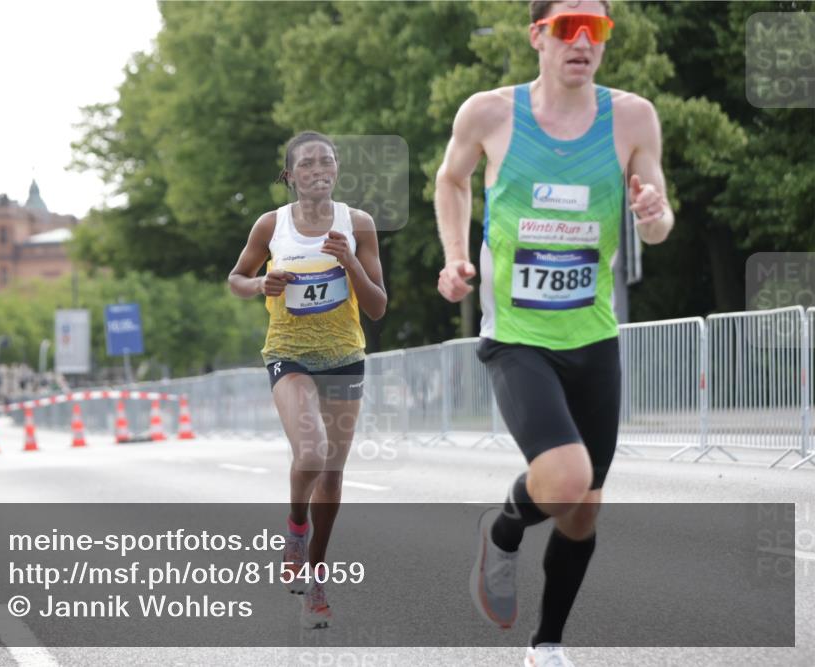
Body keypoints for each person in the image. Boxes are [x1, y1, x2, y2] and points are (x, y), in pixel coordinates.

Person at [434, 2, 673, 665]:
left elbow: (658, 221)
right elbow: (451, 180)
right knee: (567, 478)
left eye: (594, 28)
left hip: (593, 335)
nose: (581, 40)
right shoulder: (489, 113)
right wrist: (456, 256)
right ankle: (504, 529)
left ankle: (547, 645)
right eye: (566, 26)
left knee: (584, 507)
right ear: (537, 36)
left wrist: (652, 213)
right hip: (517, 335)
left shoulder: (631, 117)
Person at [228, 131, 387, 629]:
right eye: (308, 163)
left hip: (344, 356)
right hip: (289, 355)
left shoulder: (357, 224)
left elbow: (378, 306)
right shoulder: (271, 225)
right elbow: (236, 277)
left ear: (336, 170)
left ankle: (315, 580)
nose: (319, 169)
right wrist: (259, 283)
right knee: (312, 455)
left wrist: (352, 262)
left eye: (327, 161)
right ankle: (296, 527)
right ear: (291, 175)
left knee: (333, 477)